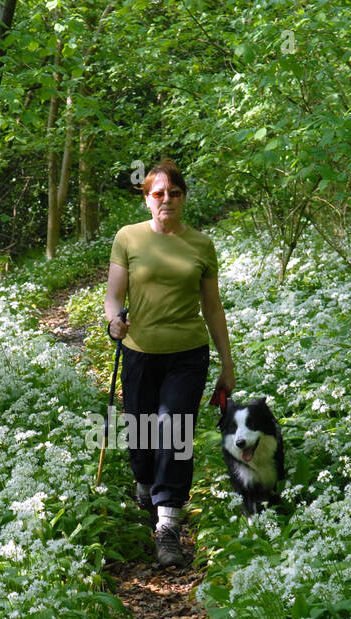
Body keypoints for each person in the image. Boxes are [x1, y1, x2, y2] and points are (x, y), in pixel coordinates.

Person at [104, 161, 234, 567]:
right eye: (158, 194)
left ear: (183, 197)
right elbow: (113, 294)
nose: (166, 200)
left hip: (187, 354)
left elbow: (212, 307)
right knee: (141, 436)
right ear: (146, 198)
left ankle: (168, 528)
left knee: (174, 432)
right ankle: (145, 488)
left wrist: (227, 363)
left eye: (173, 193)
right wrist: (113, 322)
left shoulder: (200, 245)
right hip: (139, 352)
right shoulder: (128, 238)